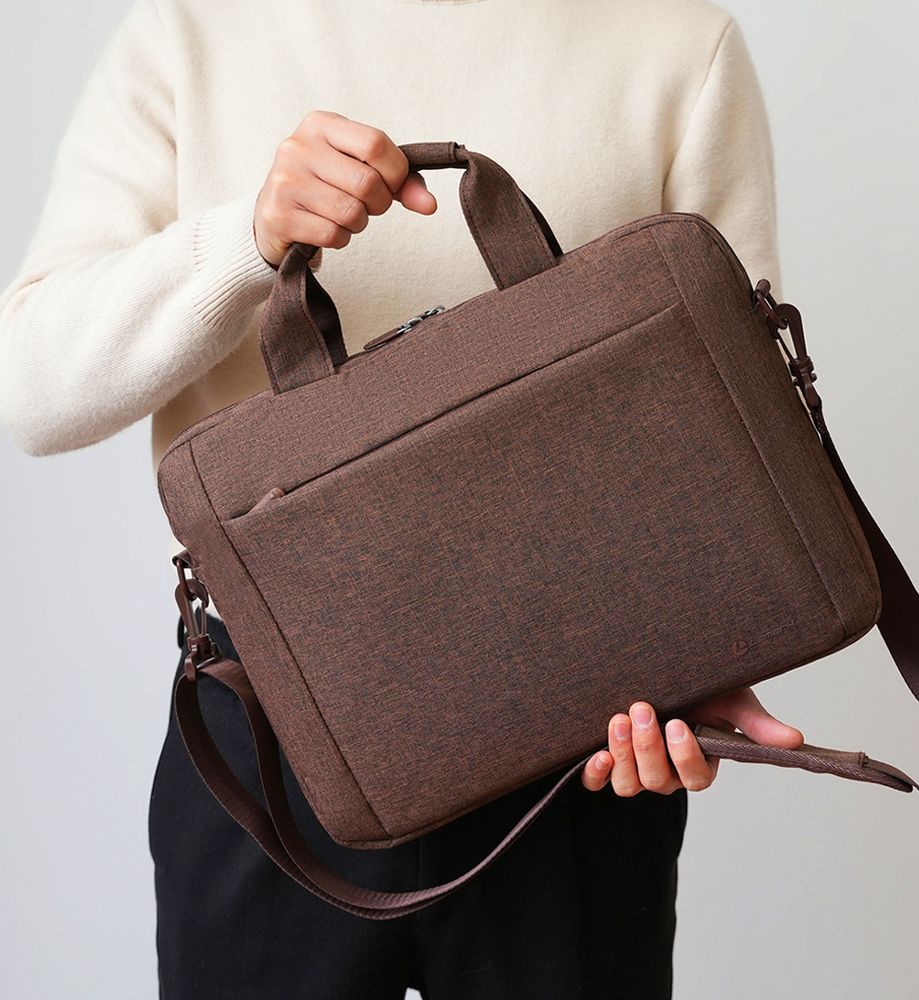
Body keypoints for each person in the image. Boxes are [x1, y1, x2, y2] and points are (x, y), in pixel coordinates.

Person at [0, 1, 805, 996]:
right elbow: (32, 392)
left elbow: (739, 419)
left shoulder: (678, 45)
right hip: (276, 722)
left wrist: (716, 648)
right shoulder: (189, 33)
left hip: (588, 727)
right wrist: (247, 239)